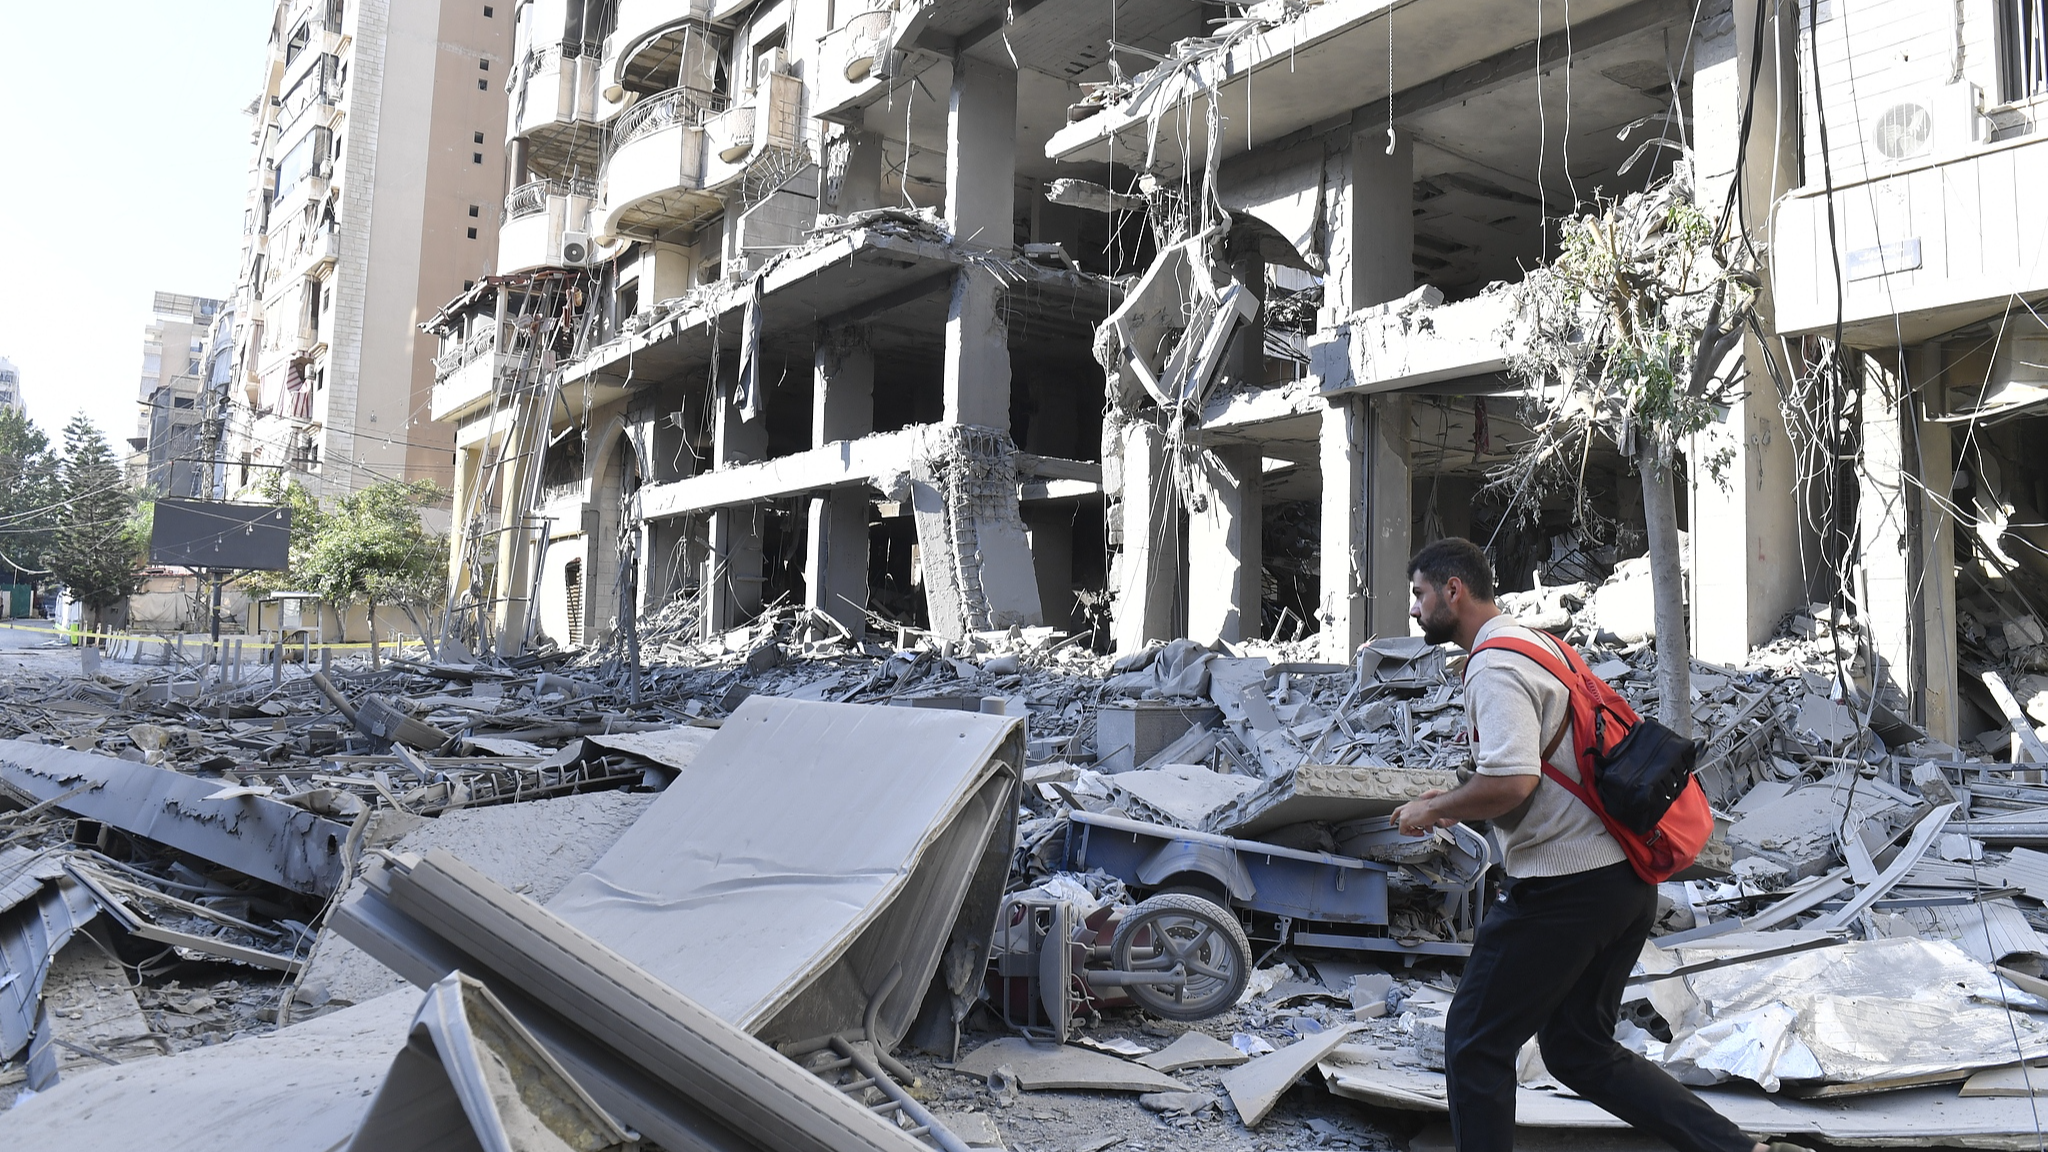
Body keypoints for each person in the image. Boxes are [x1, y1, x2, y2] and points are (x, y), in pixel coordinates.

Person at [1388, 537, 1805, 1152]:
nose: (1416, 611)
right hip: (1622, 884)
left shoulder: (1494, 665)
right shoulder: (1539, 645)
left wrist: (1434, 808)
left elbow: (1512, 780)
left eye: (1420, 595)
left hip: (1563, 887)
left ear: (1454, 589)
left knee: (1475, 1043)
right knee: (1578, 1049)